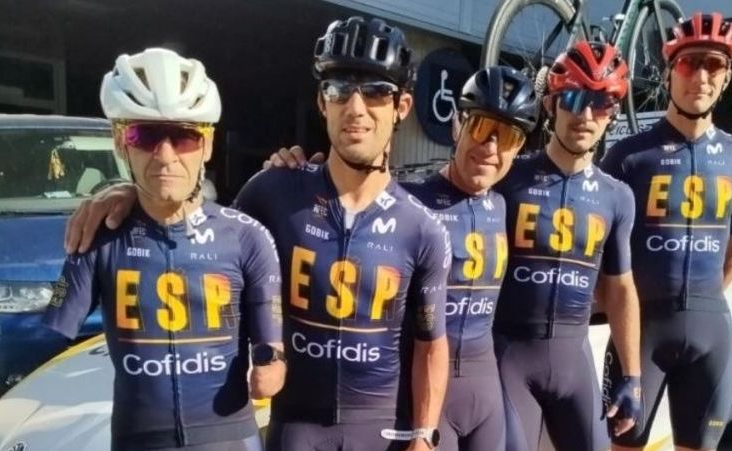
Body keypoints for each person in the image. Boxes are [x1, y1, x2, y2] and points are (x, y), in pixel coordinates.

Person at [63, 17, 451, 451]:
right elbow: (198, 230)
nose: (356, 108)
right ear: (322, 103)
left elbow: (431, 344)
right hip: (294, 429)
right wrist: (133, 193)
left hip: (382, 431)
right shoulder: (272, 191)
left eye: (376, 91)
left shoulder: (423, 227)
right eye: (339, 89)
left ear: (402, 106)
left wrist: (424, 436)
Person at [266, 65, 541, 451]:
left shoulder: (506, 201)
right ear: (457, 125)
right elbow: (349, 194)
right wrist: (296, 175)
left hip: (487, 389)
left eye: (508, 136)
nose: (491, 147)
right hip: (419, 398)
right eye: (480, 128)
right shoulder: (411, 202)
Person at [43, 48, 286, 451]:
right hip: (139, 438)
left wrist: (271, 364)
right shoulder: (98, 235)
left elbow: (270, 344)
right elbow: (55, 330)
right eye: (145, 136)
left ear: (208, 145)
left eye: (185, 136)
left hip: (229, 437)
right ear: (121, 143)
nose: (166, 155)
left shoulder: (248, 237)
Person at [600, 12, 732, 451]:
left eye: (713, 64)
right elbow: (604, 256)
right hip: (639, 334)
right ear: (668, 74)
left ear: (726, 77)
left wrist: (699, 299)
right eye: (688, 63)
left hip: (709, 332)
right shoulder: (628, 157)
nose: (700, 77)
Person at [491, 40, 642, 451]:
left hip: (575, 360)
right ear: (551, 104)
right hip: (509, 355)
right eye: (574, 99)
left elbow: (620, 289)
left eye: (601, 102)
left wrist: (632, 376)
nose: (586, 115)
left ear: (613, 112)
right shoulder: (507, 177)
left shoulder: (618, 197)